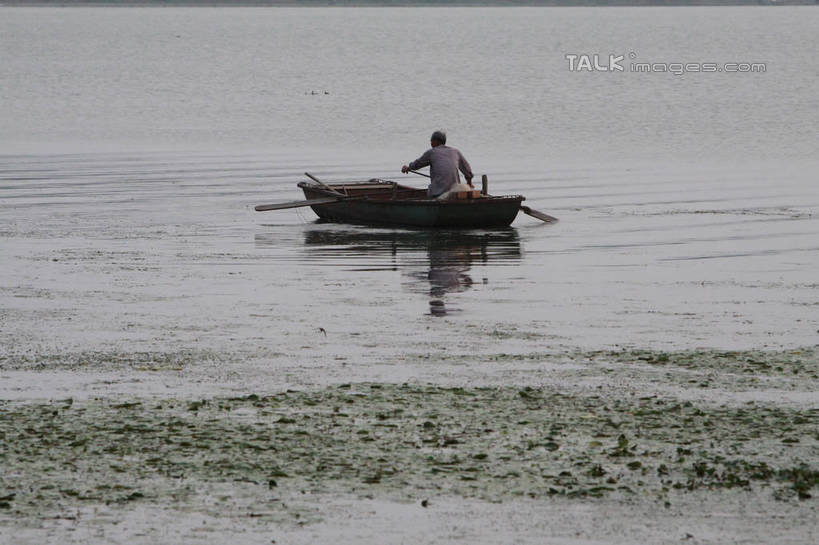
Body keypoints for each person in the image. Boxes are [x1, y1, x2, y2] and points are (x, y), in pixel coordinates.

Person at [401, 131, 474, 198]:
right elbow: (467, 170)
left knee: (430, 192)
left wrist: (408, 168)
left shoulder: (432, 152)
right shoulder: (455, 151)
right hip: (455, 192)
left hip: (438, 193)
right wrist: (469, 183)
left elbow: (416, 164)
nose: (431, 143)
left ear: (436, 141)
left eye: (431, 141)